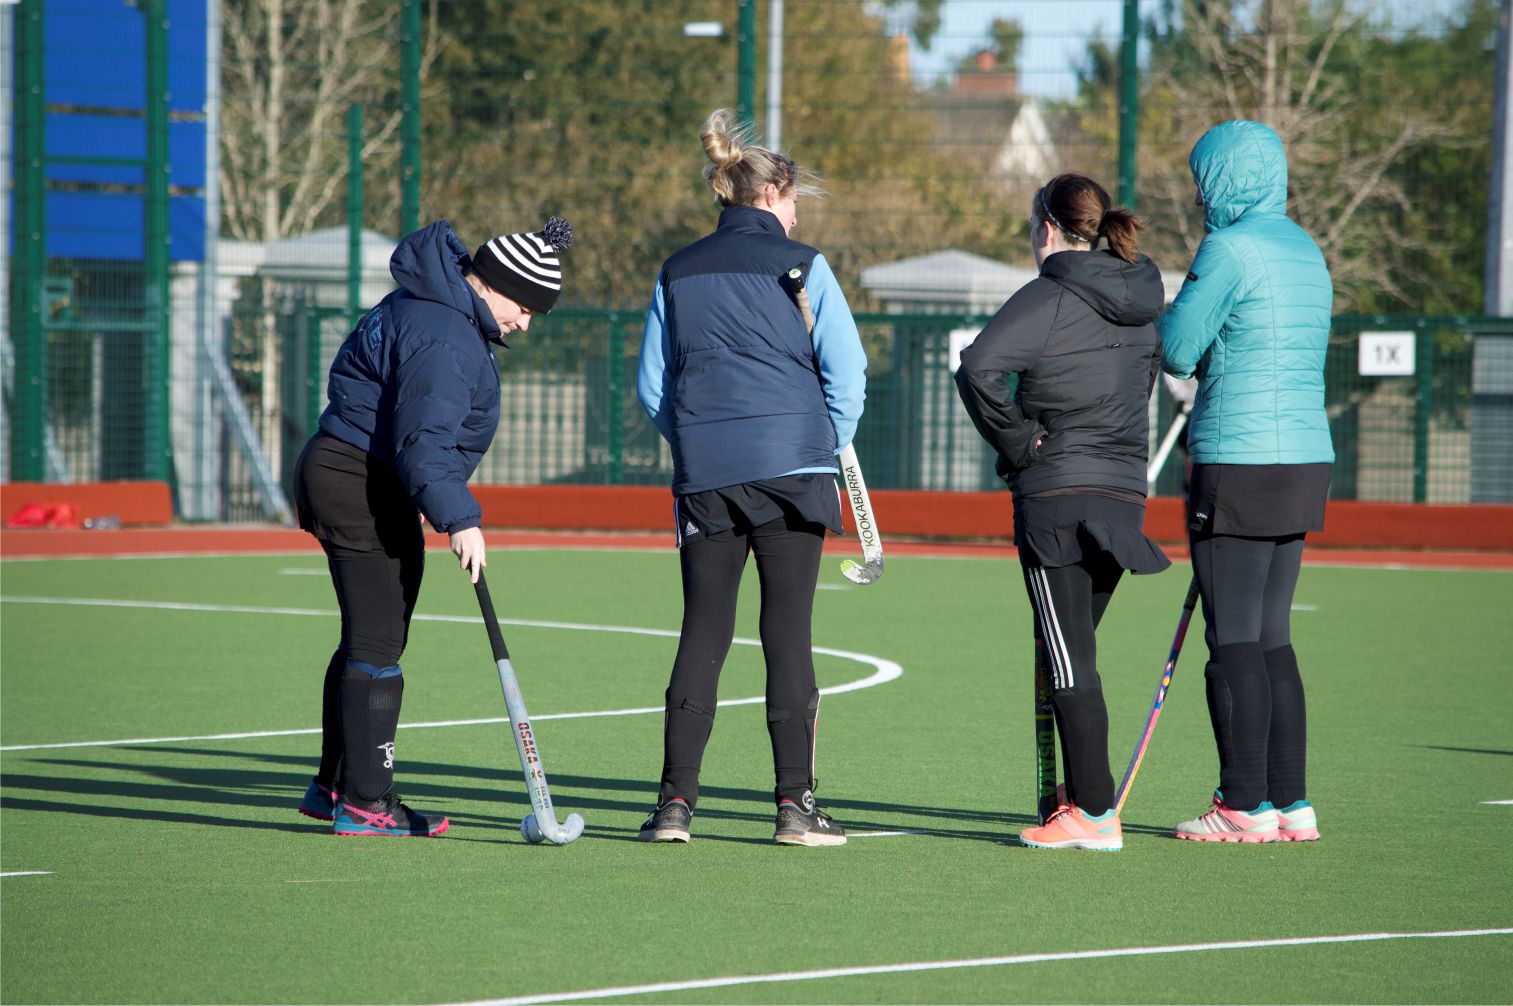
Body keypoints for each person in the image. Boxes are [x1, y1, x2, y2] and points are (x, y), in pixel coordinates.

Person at [292, 216, 573, 837]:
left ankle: (336, 785)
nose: (524, 323)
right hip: (359, 478)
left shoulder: (432, 307)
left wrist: (433, 495)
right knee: (377, 643)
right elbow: (424, 440)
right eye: (525, 306)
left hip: (358, 473)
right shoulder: (446, 332)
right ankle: (367, 804)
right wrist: (460, 518)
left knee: (368, 636)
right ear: (493, 285)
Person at [634, 109, 867, 847]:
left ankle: (674, 807)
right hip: (793, 469)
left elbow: (651, 388)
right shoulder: (804, 265)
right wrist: (824, 438)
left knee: (702, 629)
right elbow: (848, 372)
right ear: (771, 197)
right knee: (787, 636)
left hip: (706, 473)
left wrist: (701, 441)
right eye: (794, 201)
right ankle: (794, 808)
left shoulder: (675, 270)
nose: (798, 215)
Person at [956, 172, 1170, 852]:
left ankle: (1095, 813)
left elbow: (977, 367)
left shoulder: (1049, 292)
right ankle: (1076, 801)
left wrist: (1021, 442)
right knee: (1069, 649)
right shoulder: (1142, 295)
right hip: (1122, 495)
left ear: (1046, 227)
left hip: (1056, 495)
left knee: (1067, 656)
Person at [1158, 120, 1333, 843]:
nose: (1199, 193)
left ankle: (1241, 805)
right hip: (1302, 456)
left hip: (1239, 454)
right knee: (1270, 637)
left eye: (1203, 178)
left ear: (1222, 180)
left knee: (1231, 641)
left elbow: (1175, 347)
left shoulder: (1227, 248)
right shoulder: (1304, 248)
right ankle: (1289, 802)